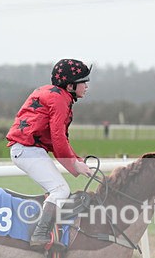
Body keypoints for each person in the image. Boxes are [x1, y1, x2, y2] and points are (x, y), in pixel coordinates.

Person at [6, 58, 94, 247]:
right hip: (27, 150)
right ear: (70, 85)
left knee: (60, 189)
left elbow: (58, 140)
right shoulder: (60, 100)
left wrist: (77, 162)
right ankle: (40, 234)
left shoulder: (56, 95)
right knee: (61, 190)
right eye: (83, 82)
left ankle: (48, 231)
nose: (86, 86)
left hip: (28, 149)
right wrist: (74, 164)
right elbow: (58, 139)